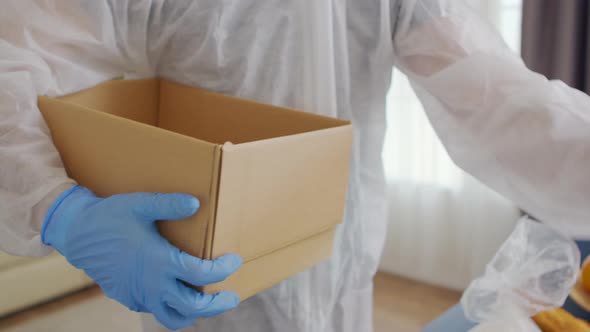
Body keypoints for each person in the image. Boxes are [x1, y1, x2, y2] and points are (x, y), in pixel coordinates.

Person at [2, 1, 590, 331]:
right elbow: (13, 52)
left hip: (343, 287)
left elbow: (497, 95)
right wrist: (60, 211)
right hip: (212, 296)